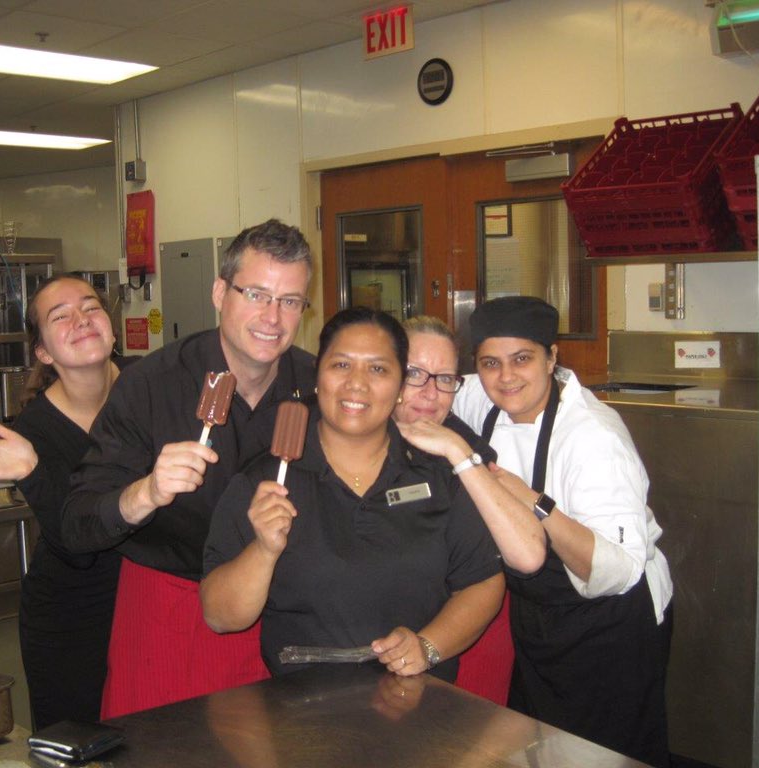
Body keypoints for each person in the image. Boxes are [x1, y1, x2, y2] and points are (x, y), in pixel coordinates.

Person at [60, 219, 316, 718]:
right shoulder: (151, 386)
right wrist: (146, 493)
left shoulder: (317, 383)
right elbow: (75, 523)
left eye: (290, 301)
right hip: (170, 616)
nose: (273, 317)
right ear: (221, 292)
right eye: (257, 294)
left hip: (287, 613)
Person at [201, 308, 537, 685]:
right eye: (341, 365)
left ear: (398, 388)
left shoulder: (439, 473)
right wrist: (262, 550)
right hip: (299, 712)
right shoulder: (262, 482)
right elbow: (220, 616)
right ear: (318, 375)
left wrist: (428, 646)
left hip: (422, 704)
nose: (356, 384)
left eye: (378, 369)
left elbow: (482, 582)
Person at [448, 296, 673, 767]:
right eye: (491, 363)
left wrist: (532, 500)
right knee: (537, 746)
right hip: (539, 614)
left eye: (522, 359)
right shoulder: (477, 398)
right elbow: (423, 387)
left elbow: (619, 571)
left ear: (552, 357)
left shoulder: (593, 437)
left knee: (605, 755)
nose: (506, 377)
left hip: (611, 626)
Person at [0, 275, 135, 729]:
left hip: (148, 602)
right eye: (60, 316)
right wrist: (31, 469)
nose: (81, 319)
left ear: (111, 326)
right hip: (72, 616)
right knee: (77, 744)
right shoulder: (34, 432)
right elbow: (77, 547)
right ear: (43, 352)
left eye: (91, 307)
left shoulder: (148, 388)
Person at [392, 315, 511, 705]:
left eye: (444, 379)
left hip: (445, 653)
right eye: (415, 374)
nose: (431, 393)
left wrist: (426, 648)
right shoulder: (345, 438)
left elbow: (486, 580)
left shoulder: (470, 458)